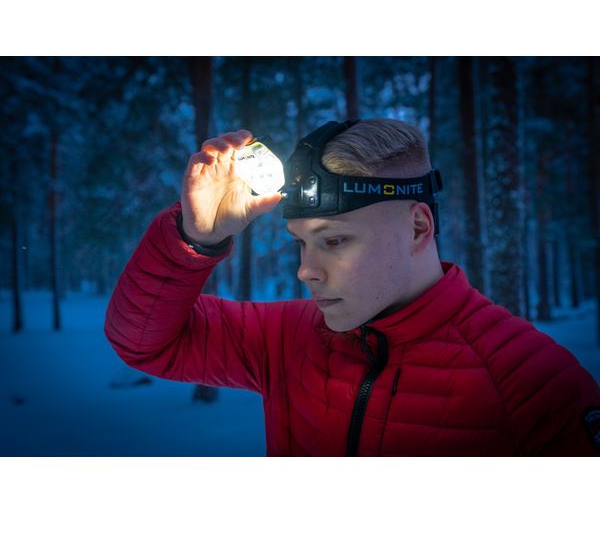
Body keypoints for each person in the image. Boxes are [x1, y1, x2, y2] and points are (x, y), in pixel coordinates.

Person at [105, 118, 600, 456]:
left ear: (418, 228)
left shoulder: (535, 382)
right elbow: (147, 343)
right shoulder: (288, 339)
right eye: (302, 243)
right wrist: (195, 238)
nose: (306, 271)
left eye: (335, 240)